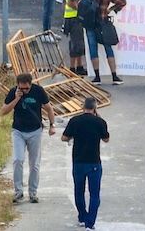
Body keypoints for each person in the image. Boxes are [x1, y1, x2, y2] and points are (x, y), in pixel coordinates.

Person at [2, 73, 55, 204]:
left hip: (35, 131)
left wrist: (52, 125)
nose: (24, 91)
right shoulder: (14, 92)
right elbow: (3, 111)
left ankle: (33, 192)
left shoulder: (38, 91)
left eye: (26, 88)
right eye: (21, 88)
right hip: (18, 131)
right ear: (18, 85)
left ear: (30, 84)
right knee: (18, 159)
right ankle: (18, 192)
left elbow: (49, 109)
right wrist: (16, 99)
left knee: (34, 164)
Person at [59, 97, 109, 231]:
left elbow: (64, 137)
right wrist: (98, 118)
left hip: (78, 161)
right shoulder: (100, 122)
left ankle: (82, 216)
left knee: (79, 191)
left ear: (83, 107)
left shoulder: (75, 121)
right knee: (94, 194)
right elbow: (106, 139)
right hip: (94, 162)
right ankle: (90, 223)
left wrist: (73, 136)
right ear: (95, 108)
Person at [84, 0, 122, 84]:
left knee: (93, 49)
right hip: (103, 22)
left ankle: (97, 77)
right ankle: (114, 76)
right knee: (108, 48)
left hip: (90, 22)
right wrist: (111, 9)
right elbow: (122, 2)